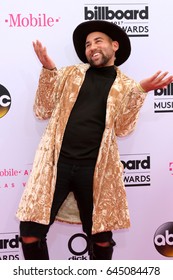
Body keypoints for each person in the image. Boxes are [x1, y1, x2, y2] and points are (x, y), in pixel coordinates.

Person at [16, 20, 173, 260]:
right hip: (55, 166)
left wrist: (140, 91)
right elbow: (42, 110)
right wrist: (48, 71)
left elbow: (123, 128)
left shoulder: (127, 85)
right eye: (88, 44)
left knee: (100, 237)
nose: (91, 47)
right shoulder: (69, 74)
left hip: (96, 170)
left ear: (115, 45)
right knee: (30, 232)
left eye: (98, 41)